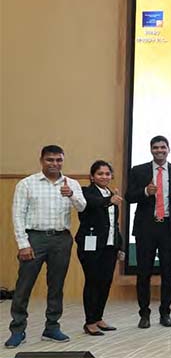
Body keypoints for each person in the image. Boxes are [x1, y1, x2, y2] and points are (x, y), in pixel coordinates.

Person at [6, 145, 86, 349]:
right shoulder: (27, 184)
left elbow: (82, 207)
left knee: (56, 285)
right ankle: (17, 329)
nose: (54, 164)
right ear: (41, 160)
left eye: (59, 160)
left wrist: (71, 195)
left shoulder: (72, 183)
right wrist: (23, 244)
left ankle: (51, 327)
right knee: (24, 286)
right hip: (34, 239)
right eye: (50, 160)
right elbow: (18, 215)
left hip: (61, 239)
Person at [125, 135, 171, 329]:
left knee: (168, 273)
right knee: (143, 272)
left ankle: (165, 313)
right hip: (146, 227)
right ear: (150, 150)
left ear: (168, 149)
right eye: (155, 148)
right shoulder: (139, 170)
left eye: (163, 147)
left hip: (169, 227)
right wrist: (145, 191)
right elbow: (129, 196)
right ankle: (144, 314)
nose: (159, 151)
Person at [76, 160, 126, 336]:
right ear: (92, 176)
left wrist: (120, 246)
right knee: (93, 281)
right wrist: (109, 200)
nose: (104, 177)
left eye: (107, 174)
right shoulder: (85, 192)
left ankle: (98, 317)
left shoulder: (111, 193)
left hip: (109, 246)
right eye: (100, 173)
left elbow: (114, 224)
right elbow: (92, 203)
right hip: (90, 245)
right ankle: (89, 321)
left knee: (105, 282)